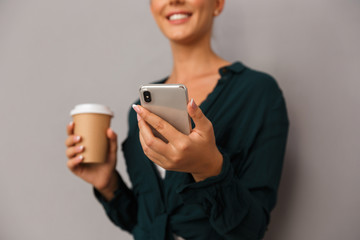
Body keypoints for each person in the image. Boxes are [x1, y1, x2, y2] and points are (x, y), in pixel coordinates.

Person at [65, 0, 289, 239]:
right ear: (152, 8)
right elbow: (146, 224)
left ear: (218, 4)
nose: (174, 0)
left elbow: (250, 230)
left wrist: (208, 169)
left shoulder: (257, 93)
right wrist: (108, 184)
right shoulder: (140, 110)